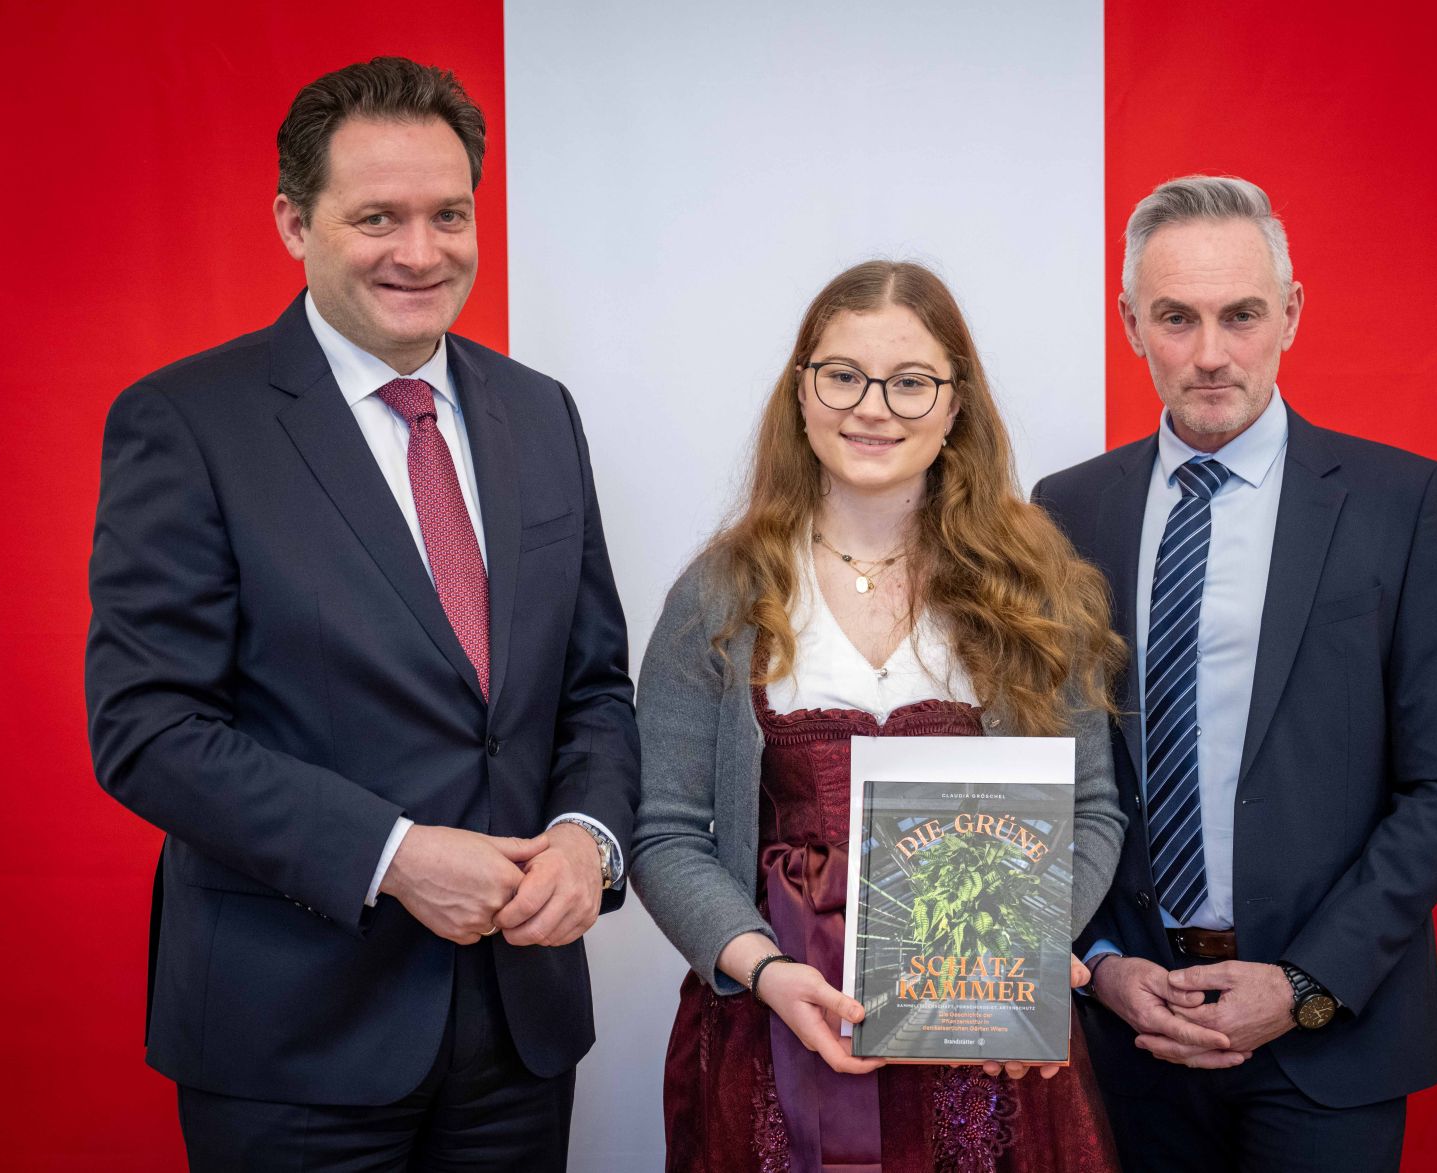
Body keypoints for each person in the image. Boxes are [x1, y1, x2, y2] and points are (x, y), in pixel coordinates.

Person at [84, 57, 639, 1170]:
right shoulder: (187, 422)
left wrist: (591, 838)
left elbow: (590, 688)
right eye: (377, 218)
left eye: (448, 215)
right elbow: (148, 729)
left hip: (520, 1034)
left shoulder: (539, 413)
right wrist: (393, 855)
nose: (420, 253)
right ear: (294, 222)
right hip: (292, 1037)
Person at [1033, 176, 1437, 1172]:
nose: (1210, 353)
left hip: (1328, 1040)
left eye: (1240, 315)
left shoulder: (1404, 503)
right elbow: (1050, 772)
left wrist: (1302, 985)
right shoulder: (1064, 511)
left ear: (1289, 313)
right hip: (1127, 1039)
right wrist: (1099, 967)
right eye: (1176, 318)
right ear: (1130, 324)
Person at [631, 261, 1128, 1172]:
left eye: (910, 382)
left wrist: (1023, 951)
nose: (873, 408)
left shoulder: (1037, 587)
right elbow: (664, 831)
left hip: (986, 1034)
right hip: (780, 1027)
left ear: (955, 404)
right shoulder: (719, 593)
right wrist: (764, 970)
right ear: (801, 391)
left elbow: (1092, 807)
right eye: (843, 375)